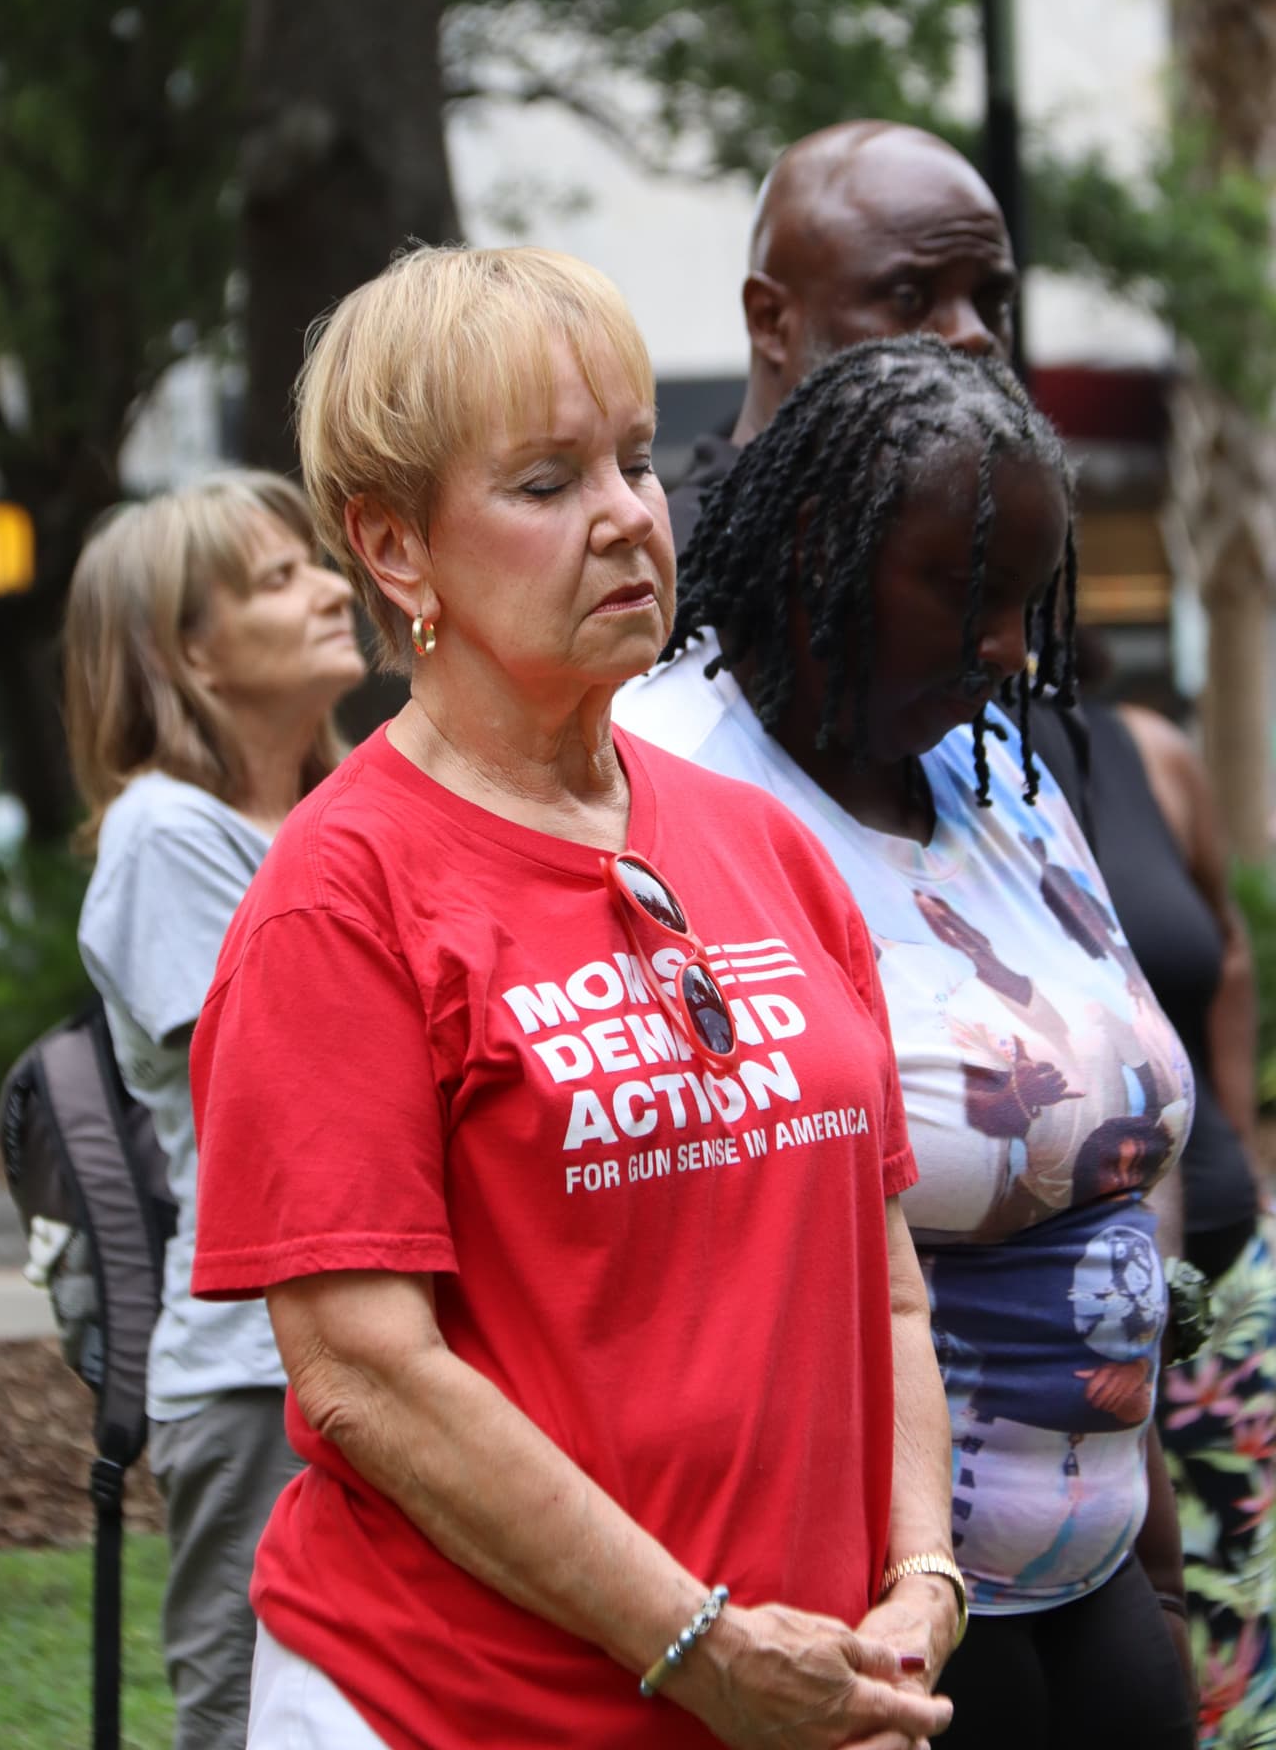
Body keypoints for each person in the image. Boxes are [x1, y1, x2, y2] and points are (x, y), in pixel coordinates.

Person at [187, 245, 960, 1750]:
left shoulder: (768, 849)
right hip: (454, 1710)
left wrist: (915, 1586)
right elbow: (364, 1376)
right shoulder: (337, 900)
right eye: (546, 483)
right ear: (395, 548)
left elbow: (886, 1295)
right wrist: (701, 1646)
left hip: (803, 1700)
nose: (625, 517)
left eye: (634, 461)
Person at [617, 334, 1196, 1750]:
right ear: (821, 542)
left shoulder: (986, 772)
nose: (1008, 650)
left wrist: (1155, 1541)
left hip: (1098, 1568)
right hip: (866, 1599)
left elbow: (1112, 1146)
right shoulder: (665, 778)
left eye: (1022, 602)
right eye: (965, 590)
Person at [64, 471, 366, 1750]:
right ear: (189, 653)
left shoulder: (331, 813)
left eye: (316, 564)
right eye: (279, 579)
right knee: (250, 1718)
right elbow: (285, 1087)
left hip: (376, 1351)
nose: (334, 589)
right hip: (259, 1372)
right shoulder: (165, 835)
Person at [1074, 655, 1276, 1744]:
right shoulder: (924, 778)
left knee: (1245, 1653)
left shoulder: (1148, 752)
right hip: (1068, 1343)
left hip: (1223, 1283)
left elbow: (1227, 954)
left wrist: (1235, 1144)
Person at [667, 119, 1018, 551]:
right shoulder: (669, 576)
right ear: (770, 321)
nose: (974, 333)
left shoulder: (994, 553)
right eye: (909, 297)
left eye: (992, 301)